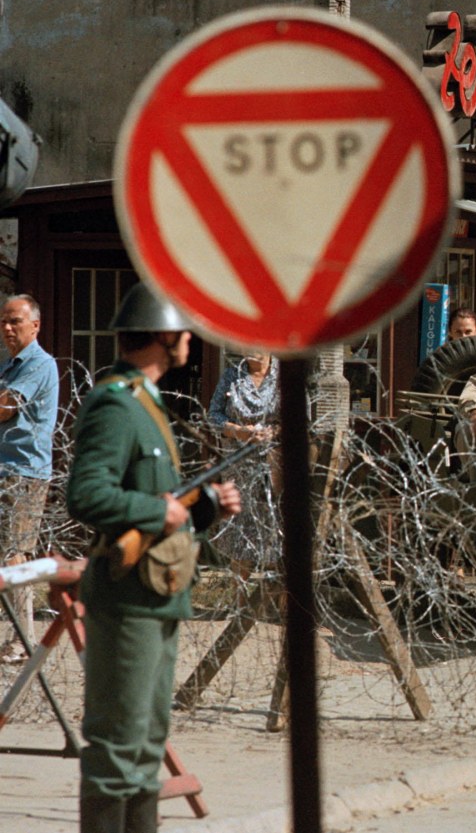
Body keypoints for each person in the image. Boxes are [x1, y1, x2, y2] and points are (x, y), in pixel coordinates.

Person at [68, 283, 241, 833]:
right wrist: (156, 511)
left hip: (158, 595)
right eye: (184, 330)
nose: (189, 339)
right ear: (164, 336)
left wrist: (204, 508)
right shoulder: (116, 403)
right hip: (126, 599)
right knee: (118, 748)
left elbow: (161, 508)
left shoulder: (148, 401)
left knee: (145, 746)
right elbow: (88, 495)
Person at [0, 294, 59, 664]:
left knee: (14, 555)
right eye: (4, 321)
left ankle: (22, 639)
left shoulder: (39, 364)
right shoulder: (9, 366)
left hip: (23, 473)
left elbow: (5, 408)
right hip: (5, 468)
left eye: (15, 321)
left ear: (34, 326)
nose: (7, 328)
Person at [208, 350, 281, 578]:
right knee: (240, 533)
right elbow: (214, 415)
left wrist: (274, 432)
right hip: (239, 464)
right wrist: (238, 431)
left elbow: (302, 418)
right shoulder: (232, 376)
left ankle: (275, 601)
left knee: (275, 527)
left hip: (275, 463)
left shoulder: (284, 377)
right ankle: (241, 601)